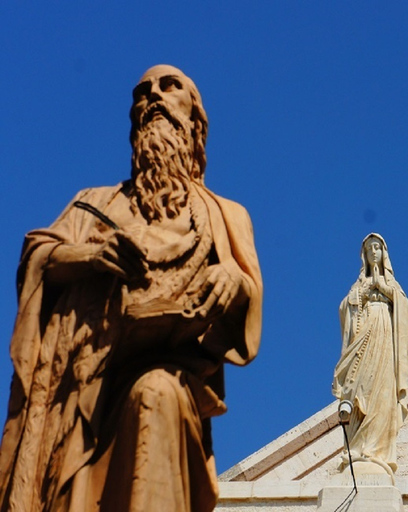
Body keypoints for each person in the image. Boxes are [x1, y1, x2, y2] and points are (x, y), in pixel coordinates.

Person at [0, 65, 262, 512]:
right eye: (143, 93)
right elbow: (38, 255)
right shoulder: (96, 203)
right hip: (84, 387)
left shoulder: (225, 214)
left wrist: (234, 282)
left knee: (156, 394)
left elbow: (247, 298)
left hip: (168, 371)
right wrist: (92, 256)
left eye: (169, 86)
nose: (153, 97)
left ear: (194, 121)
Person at [332, 234, 408, 476]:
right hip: (364, 339)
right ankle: (356, 446)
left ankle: (376, 451)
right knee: (360, 389)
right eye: (369, 249)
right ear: (364, 255)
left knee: (382, 392)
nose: (373, 252)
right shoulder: (357, 286)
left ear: (384, 253)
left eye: (377, 248)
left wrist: (385, 290)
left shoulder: (394, 287)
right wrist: (357, 299)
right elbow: (345, 309)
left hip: (385, 337)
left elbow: (405, 312)